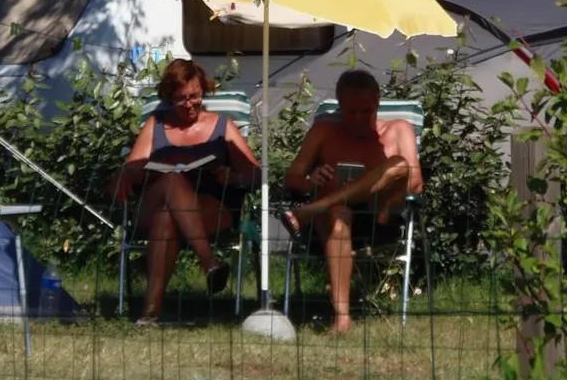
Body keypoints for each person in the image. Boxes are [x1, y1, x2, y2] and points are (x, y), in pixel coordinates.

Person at [110, 59, 261, 325]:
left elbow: (255, 174)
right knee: (171, 182)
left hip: (209, 206)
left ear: (203, 91)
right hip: (155, 200)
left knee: (166, 218)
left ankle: (149, 314)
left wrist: (231, 176)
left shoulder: (222, 126)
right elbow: (132, 169)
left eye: (194, 96)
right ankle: (209, 261)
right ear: (169, 97)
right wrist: (133, 171)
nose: (189, 103)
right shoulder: (156, 125)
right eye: (181, 99)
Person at [281, 69, 422, 333]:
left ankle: (311, 210)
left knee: (400, 164)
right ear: (340, 106)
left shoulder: (398, 129)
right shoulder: (324, 132)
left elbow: (415, 182)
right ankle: (342, 318)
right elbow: (292, 178)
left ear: (377, 102)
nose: (358, 120)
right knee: (338, 214)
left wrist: (374, 183)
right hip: (331, 222)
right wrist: (312, 180)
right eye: (350, 112)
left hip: (377, 221)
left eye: (365, 112)